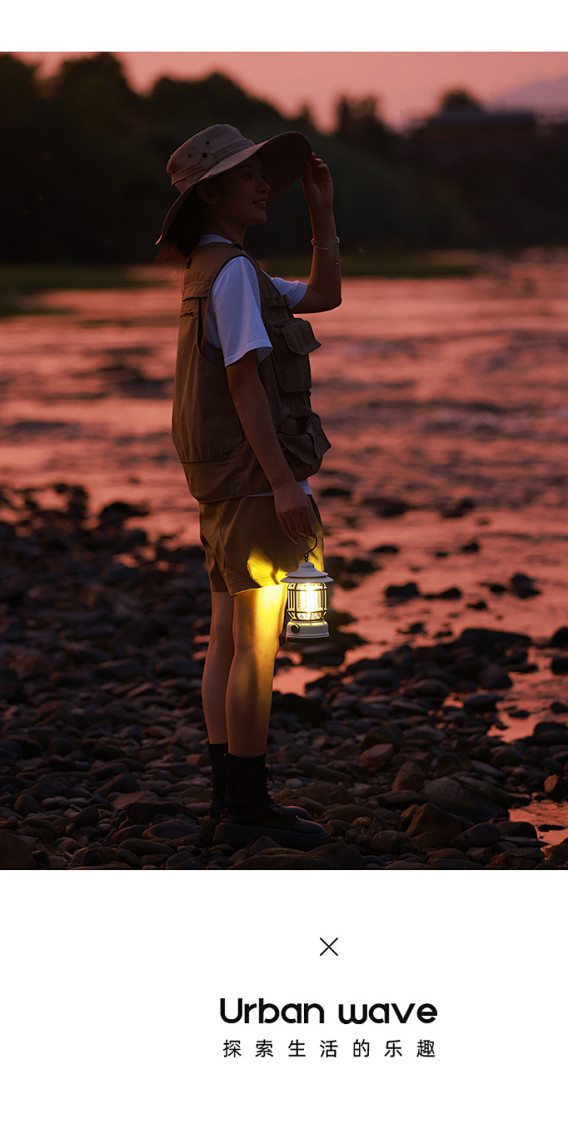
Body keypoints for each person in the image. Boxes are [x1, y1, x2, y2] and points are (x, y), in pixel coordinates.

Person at [157, 123, 341, 851]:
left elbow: (324, 295)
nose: (264, 184)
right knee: (258, 641)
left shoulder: (224, 269)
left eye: (266, 174)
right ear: (212, 193)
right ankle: (248, 803)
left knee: (229, 636)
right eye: (248, 176)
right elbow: (242, 380)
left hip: (224, 483)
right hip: (254, 482)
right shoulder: (231, 274)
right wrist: (284, 484)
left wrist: (320, 209)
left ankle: (227, 799)